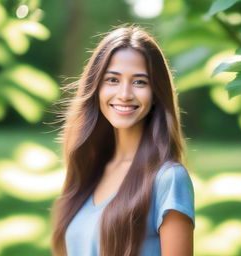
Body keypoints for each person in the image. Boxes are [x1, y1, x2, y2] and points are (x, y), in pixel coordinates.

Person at [50, 24, 195, 256]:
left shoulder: (168, 179)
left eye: (139, 82)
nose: (125, 94)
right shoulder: (89, 168)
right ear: (96, 87)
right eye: (112, 80)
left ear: (156, 93)